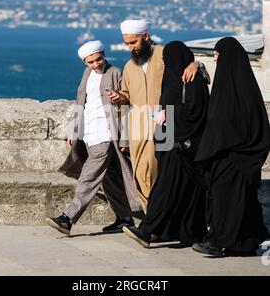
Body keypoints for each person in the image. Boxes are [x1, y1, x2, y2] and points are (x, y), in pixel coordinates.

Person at [108, 20, 208, 211]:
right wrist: (120, 96)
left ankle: (156, 222)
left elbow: (186, 64)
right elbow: (128, 94)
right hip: (137, 126)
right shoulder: (130, 66)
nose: (130, 48)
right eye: (127, 43)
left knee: (156, 173)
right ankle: (151, 218)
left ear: (145, 36)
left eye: (133, 43)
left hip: (163, 124)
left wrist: (196, 64)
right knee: (139, 174)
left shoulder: (165, 54)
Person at [47, 40, 141, 236]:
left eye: (98, 59)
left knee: (88, 178)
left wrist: (124, 139)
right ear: (85, 63)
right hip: (89, 133)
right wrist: (74, 131)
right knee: (109, 178)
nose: (96, 64)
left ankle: (67, 218)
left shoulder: (115, 72)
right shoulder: (87, 74)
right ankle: (125, 218)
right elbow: (81, 101)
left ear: (104, 55)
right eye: (91, 62)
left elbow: (125, 106)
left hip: (106, 133)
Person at [122, 41, 210, 247]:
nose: (164, 63)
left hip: (180, 145)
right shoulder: (173, 78)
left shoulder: (192, 79)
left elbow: (194, 112)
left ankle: (148, 230)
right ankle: (189, 232)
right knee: (187, 191)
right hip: (170, 141)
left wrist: (168, 115)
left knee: (164, 188)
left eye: (167, 59)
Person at [192, 37, 270, 257]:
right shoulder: (240, 86)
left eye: (217, 54)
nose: (215, 58)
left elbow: (229, 124)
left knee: (225, 201)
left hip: (231, 156)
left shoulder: (233, 90)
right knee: (240, 201)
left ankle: (217, 242)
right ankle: (244, 243)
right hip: (234, 156)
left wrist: (214, 147)